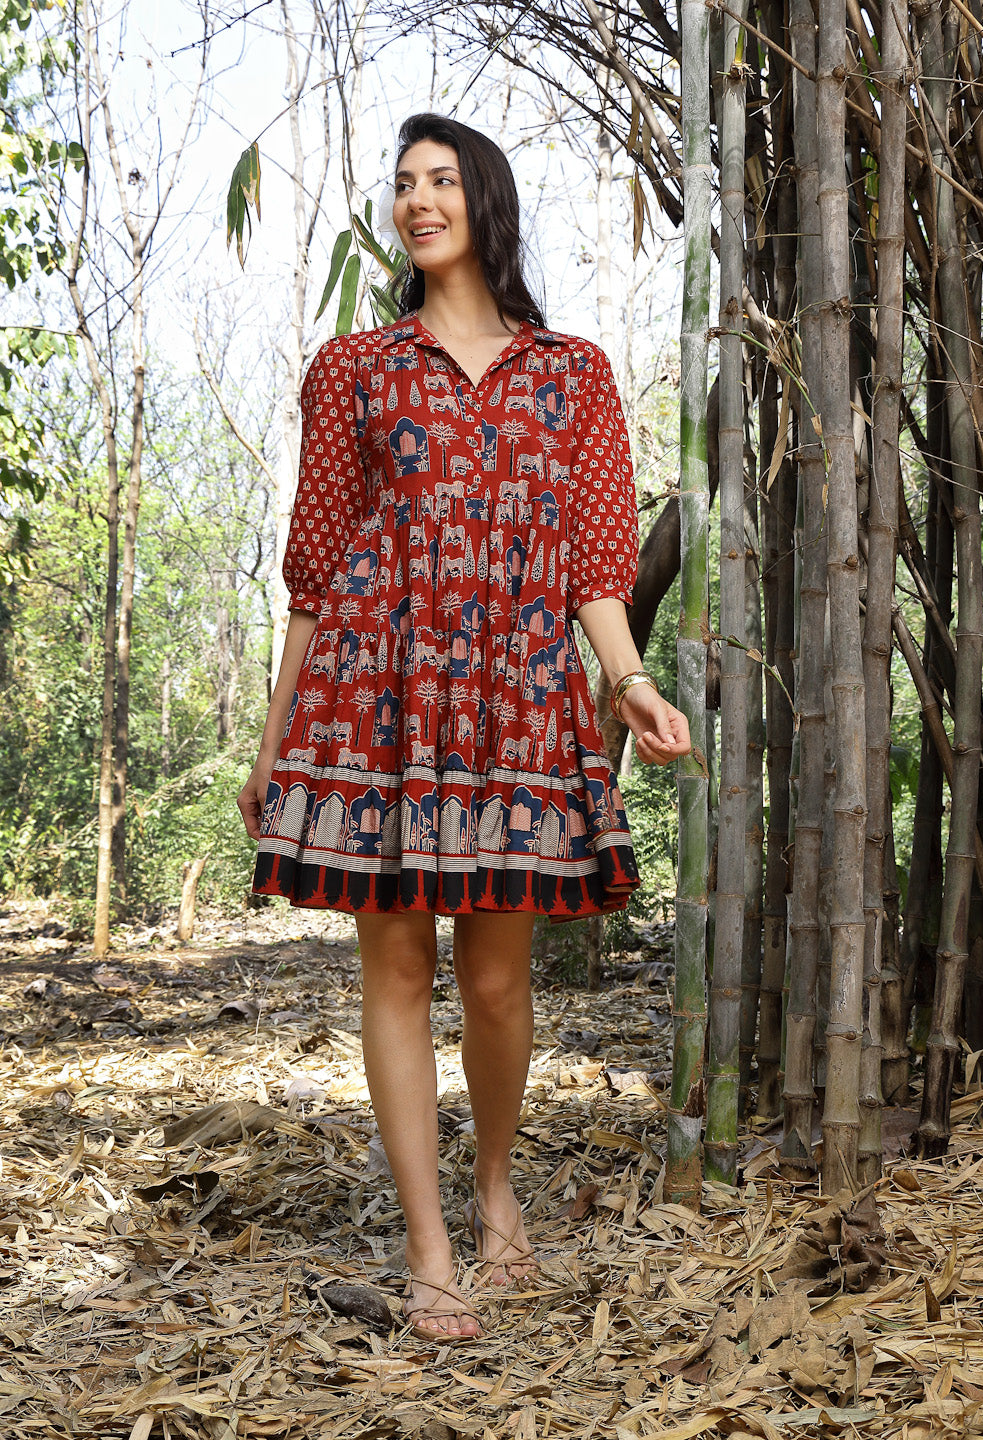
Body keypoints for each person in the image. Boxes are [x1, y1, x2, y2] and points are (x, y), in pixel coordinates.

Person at [237, 112, 690, 1343]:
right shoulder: (354, 367)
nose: (417, 200)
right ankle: (429, 1245)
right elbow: (317, 573)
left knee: (495, 979)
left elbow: (595, 564)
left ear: (485, 201)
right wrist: (278, 741)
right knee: (393, 967)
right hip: (375, 695)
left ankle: (496, 1191)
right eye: (403, 184)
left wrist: (629, 682)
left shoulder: (575, 374)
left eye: (440, 180)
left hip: (517, 695)